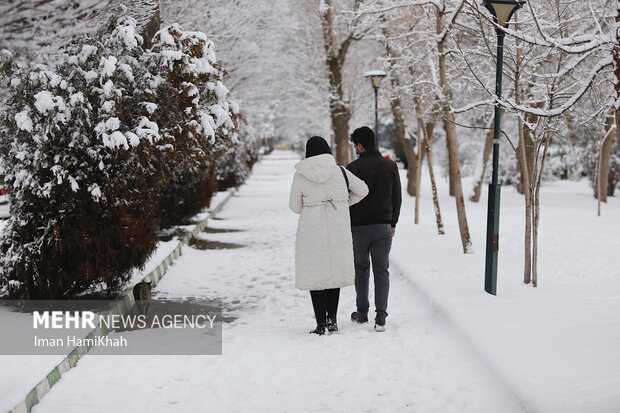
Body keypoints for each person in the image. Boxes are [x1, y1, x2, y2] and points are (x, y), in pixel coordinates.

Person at [289, 136, 369, 335]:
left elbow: (294, 207)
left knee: (316, 275)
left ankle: (320, 324)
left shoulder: (300, 175)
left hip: (311, 231)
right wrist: (343, 202)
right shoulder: (340, 171)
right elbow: (363, 190)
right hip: (338, 229)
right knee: (334, 274)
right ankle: (332, 319)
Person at [347, 126, 402, 331]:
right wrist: (393, 222)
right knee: (382, 270)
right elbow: (396, 197)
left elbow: (347, 199)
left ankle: (362, 312)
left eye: (355, 145)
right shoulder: (390, 166)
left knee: (361, 270)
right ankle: (381, 315)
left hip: (358, 229)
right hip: (383, 227)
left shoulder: (351, 169)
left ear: (359, 145)